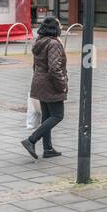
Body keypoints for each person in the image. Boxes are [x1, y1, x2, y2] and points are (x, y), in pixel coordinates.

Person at [24, 16, 67, 159]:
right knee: (57, 115)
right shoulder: (53, 44)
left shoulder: (40, 42)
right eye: (60, 25)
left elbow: (35, 65)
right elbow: (54, 69)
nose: (61, 27)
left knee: (47, 116)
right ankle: (31, 140)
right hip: (50, 85)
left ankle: (48, 149)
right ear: (55, 28)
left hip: (39, 83)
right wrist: (62, 85)